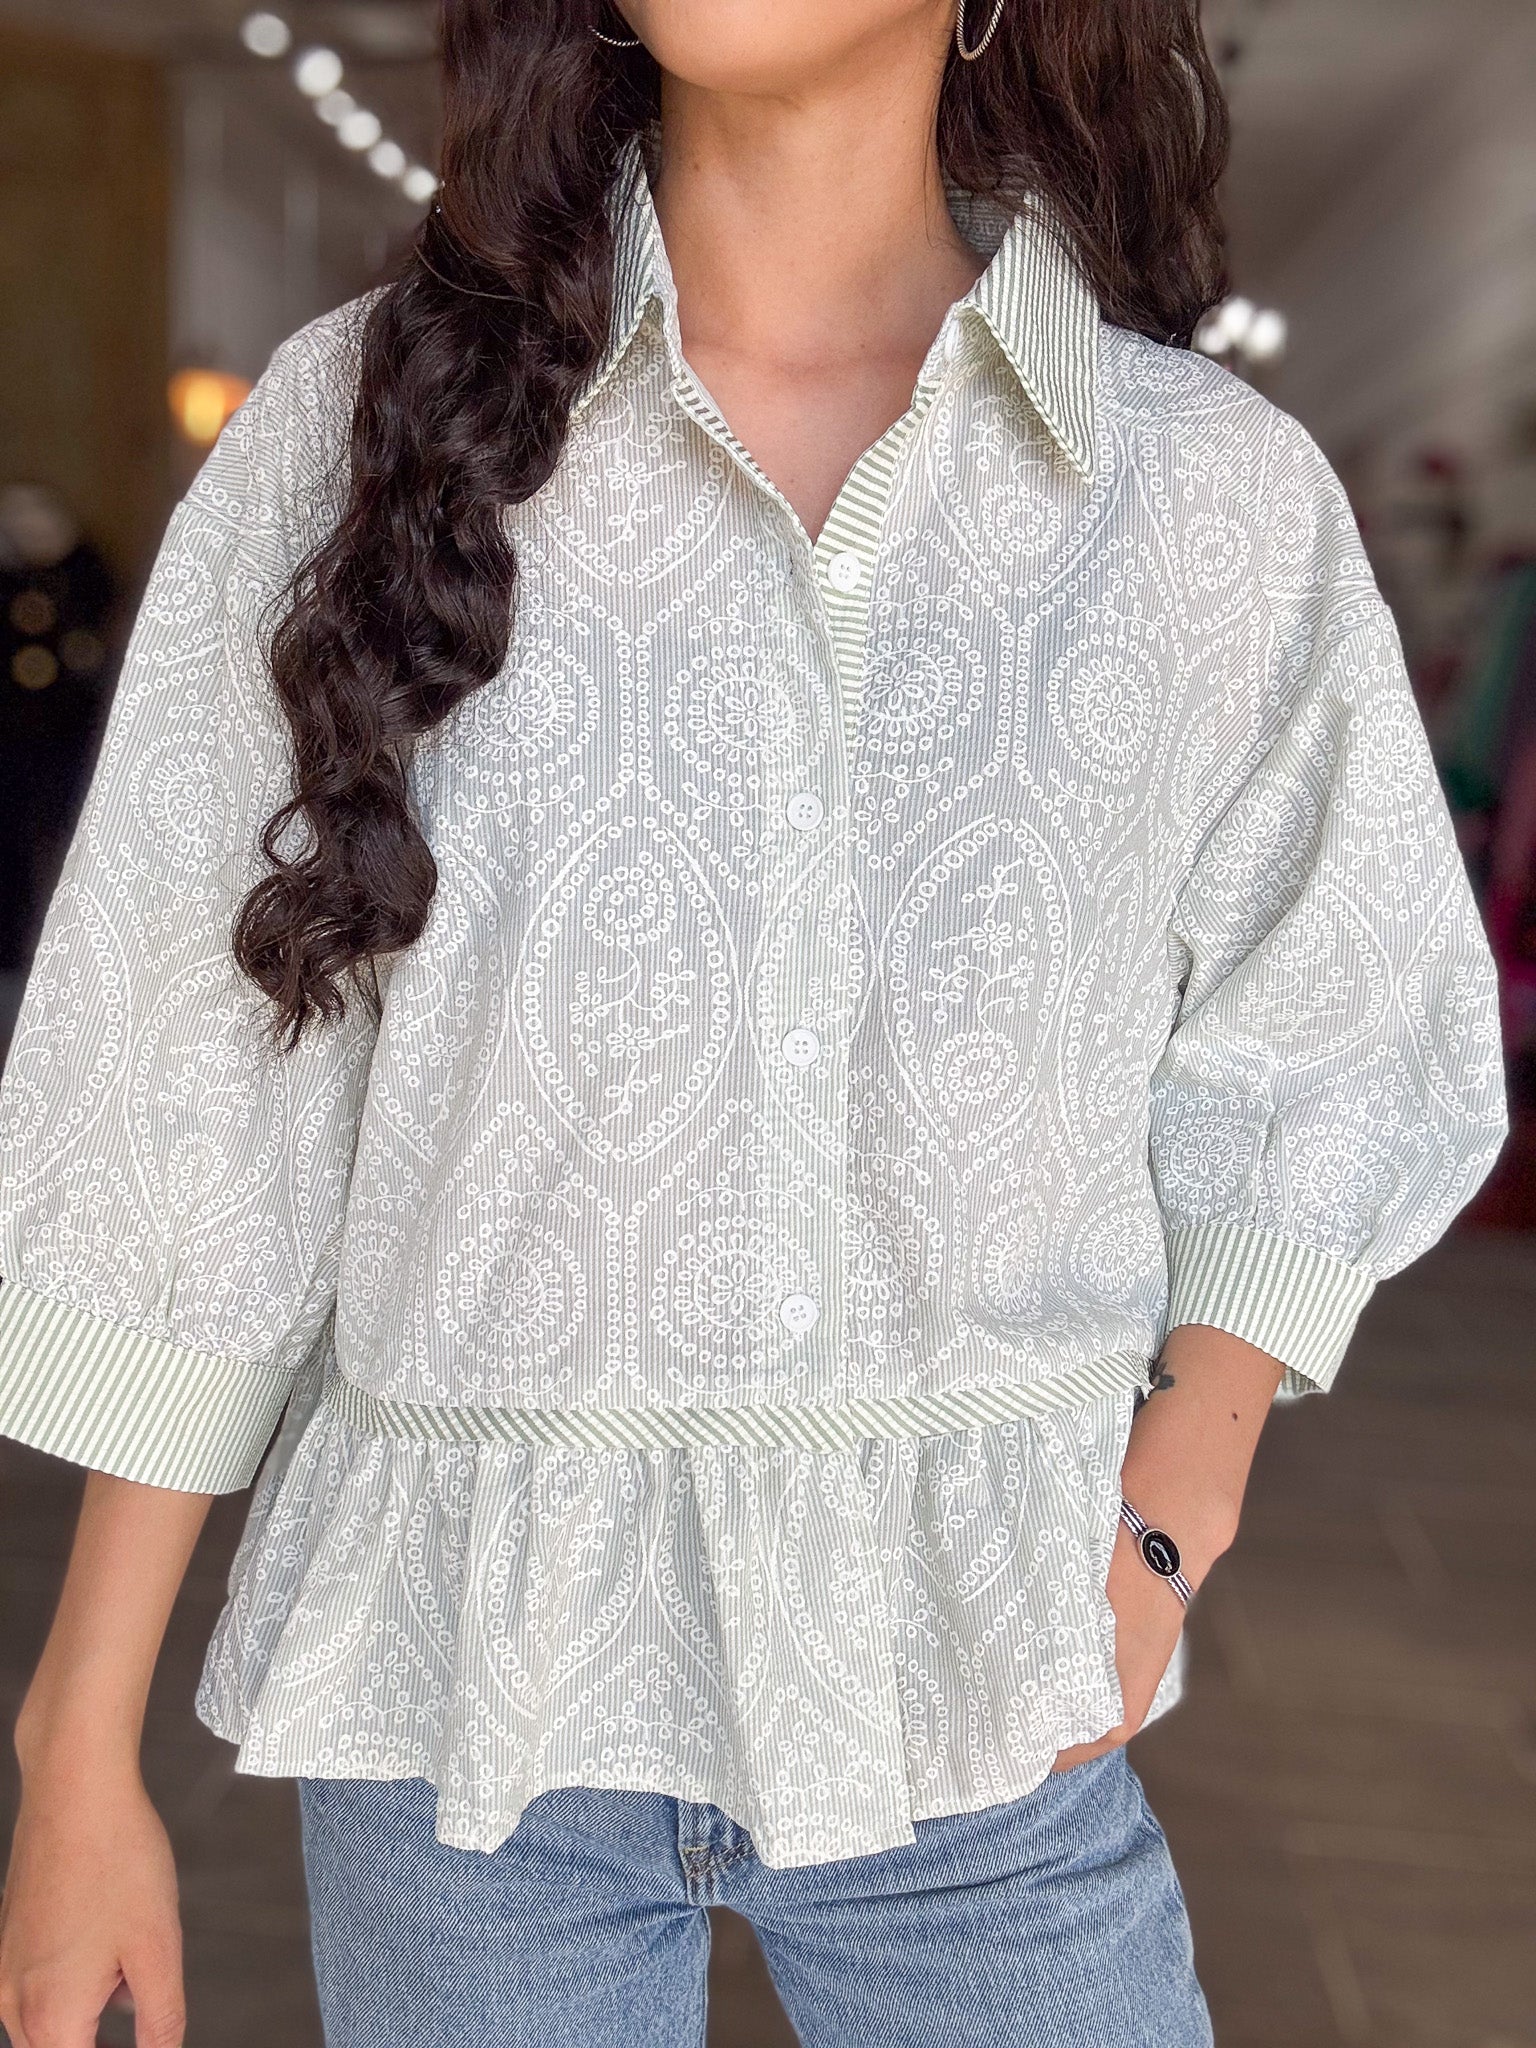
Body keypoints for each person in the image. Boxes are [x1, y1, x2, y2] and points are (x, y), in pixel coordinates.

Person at [0, 1, 1509, 2043]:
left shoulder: (1199, 499)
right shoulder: (358, 428)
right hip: (472, 1726)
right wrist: (79, 1742)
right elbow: (211, 1074)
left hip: (985, 1707)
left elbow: (1338, 1009)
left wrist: (1176, 1504)